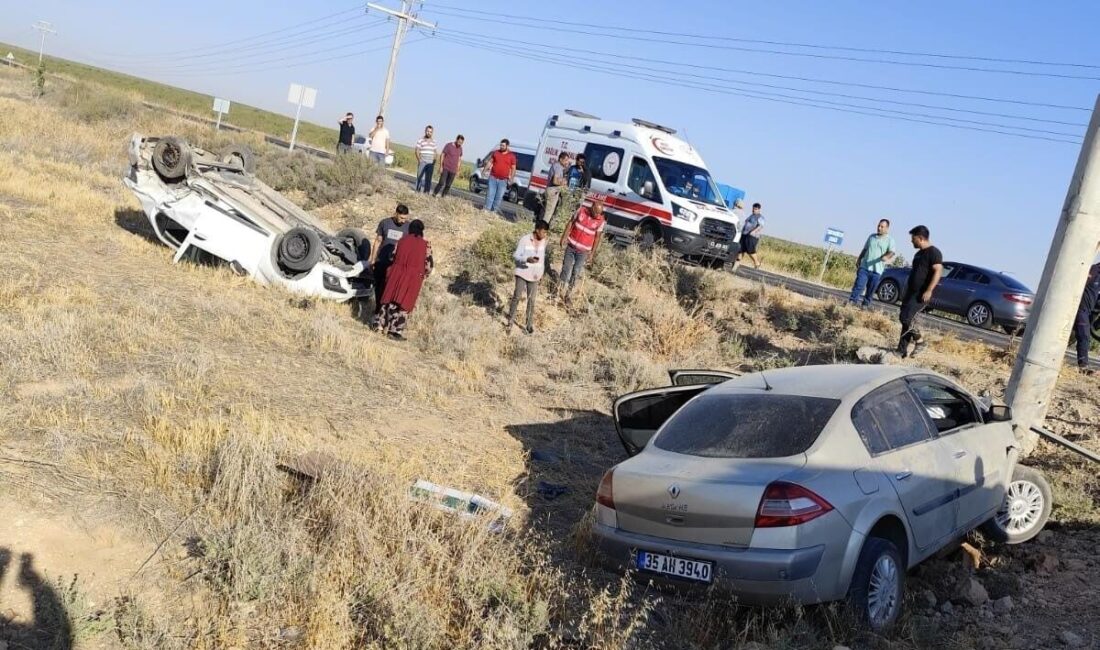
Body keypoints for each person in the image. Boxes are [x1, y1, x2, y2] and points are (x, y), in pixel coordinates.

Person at [377, 219, 433, 340]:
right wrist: (424, 275)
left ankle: (380, 325)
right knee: (404, 303)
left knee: (389, 299)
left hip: (396, 273)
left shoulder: (401, 240)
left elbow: (392, 256)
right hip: (413, 277)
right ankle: (395, 331)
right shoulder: (426, 245)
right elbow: (429, 265)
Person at [897, 225, 943, 359]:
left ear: (921, 238)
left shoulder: (934, 252)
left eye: (913, 238)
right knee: (905, 320)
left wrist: (929, 290)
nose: (911, 241)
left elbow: (938, 271)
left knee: (906, 318)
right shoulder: (918, 254)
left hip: (921, 294)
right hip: (911, 291)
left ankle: (920, 342)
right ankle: (901, 351)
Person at [557, 197, 606, 304]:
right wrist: (564, 237)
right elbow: (571, 222)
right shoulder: (581, 211)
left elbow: (597, 238)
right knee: (565, 269)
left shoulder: (601, 221)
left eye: (599, 213)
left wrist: (592, 253)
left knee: (576, 272)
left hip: (583, 252)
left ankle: (568, 295)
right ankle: (558, 291)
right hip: (571, 246)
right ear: (592, 207)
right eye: (596, 212)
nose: (597, 215)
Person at [368, 204, 411, 323]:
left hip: (396, 265)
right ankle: (377, 311)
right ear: (396, 214)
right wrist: (372, 259)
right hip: (381, 261)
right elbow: (378, 241)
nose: (403, 221)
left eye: (405, 218)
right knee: (378, 287)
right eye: (401, 218)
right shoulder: (385, 223)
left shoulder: (408, 227)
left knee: (390, 290)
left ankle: (386, 316)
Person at [506, 220, 550, 334]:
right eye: (543, 232)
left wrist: (541, 273)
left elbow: (542, 259)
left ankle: (529, 325)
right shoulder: (525, 239)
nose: (545, 235)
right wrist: (527, 259)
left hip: (534, 276)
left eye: (546, 232)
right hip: (522, 273)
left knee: (531, 300)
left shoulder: (544, 241)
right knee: (517, 297)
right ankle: (510, 321)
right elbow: (516, 255)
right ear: (537, 230)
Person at [848, 219, 897, 308]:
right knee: (859, 285)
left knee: (871, 290)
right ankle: (852, 301)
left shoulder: (890, 240)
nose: (879, 228)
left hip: (877, 270)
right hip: (865, 267)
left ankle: (865, 305)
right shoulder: (871, 237)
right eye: (878, 226)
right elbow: (865, 249)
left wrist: (886, 257)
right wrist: (859, 259)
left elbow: (892, 252)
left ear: (887, 228)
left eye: (882, 227)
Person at [1073, 259, 1100, 372]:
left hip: (1089, 311)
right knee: (1084, 336)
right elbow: (1079, 284)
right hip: (1081, 308)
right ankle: (1083, 365)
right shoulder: (1094, 270)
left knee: (1084, 336)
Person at [483, 139, 516, 214]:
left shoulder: (511, 156)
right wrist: (484, 171)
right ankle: (486, 209)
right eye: (500, 145)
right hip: (493, 178)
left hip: (503, 180)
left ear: (507, 146)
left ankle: (493, 212)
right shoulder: (496, 153)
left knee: (499, 196)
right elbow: (490, 162)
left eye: (503, 145)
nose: (501, 147)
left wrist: (511, 178)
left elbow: (513, 168)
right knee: (490, 194)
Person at [542, 152, 569, 224]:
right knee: (549, 212)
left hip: (551, 190)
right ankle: (543, 226)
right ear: (560, 159)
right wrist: (563, 184)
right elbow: (554, 181)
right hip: (553, 191)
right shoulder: (558, 167)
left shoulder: (558, 166)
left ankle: (542, 225)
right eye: (566, 160)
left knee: (547, 210)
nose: (567, 162)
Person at [736, 203, 765, 269]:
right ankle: (736, 264)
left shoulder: (760, 217)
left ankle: (757, 263)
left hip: (752, 236)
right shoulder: (751, 215)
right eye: (753, 208)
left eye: (755, 209)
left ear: (759, 209)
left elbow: (760, 226)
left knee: (750, 250)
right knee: (741, 249)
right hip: (744, 234)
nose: (753, 210)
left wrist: (753, 231)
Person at [414, 125, 437, 193]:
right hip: (422, 162)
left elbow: (435, 152)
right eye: (428, 131)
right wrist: (419, 160)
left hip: (430, 163)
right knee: (419, 177)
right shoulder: (421, 140)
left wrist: (434, 162)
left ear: (432, 133)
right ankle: (417, 191)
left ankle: (426, 193)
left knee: (428, 179)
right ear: (425, 131)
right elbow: (416, 150)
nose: (429, 133)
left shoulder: (434, 141)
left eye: (430, 132)